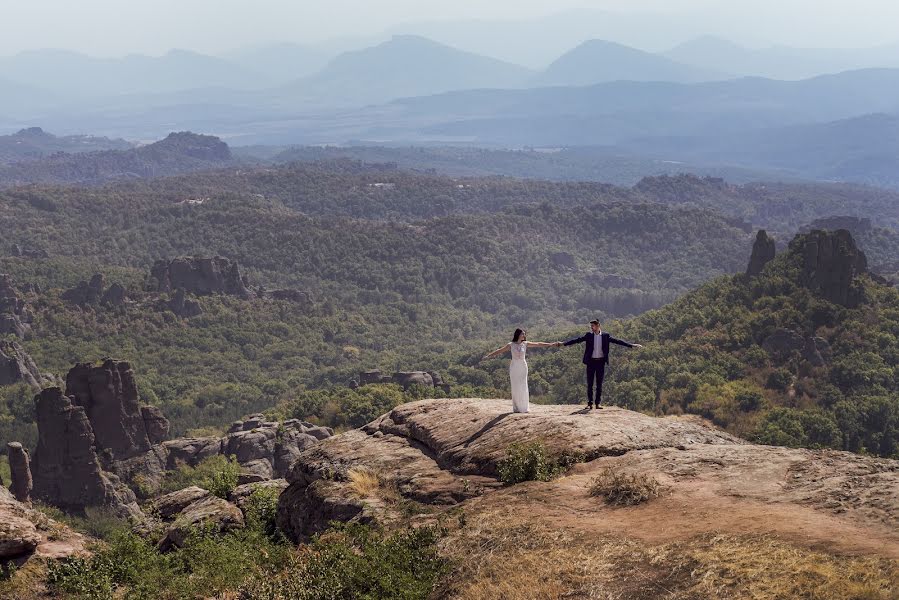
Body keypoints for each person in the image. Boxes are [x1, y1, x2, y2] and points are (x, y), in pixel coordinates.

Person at [563, 319, 642, 410]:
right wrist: (563, 344)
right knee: (590, 384)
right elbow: (577, 340)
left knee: (599, 384)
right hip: (591, 362)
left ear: (598, 326)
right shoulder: (588, 336)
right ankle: (590, 403)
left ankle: (597, 403)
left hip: (600, 362)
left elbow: (618, 341)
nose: (591, 328)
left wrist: (631, 345)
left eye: (593, 326)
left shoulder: (605, 336)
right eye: (591, 326)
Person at [481, 328, 561, 413]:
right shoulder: (511, 345)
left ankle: (524, 407)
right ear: (518, 335)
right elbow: (500, 351)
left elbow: (538, 344)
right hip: (514, 366)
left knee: (523, 385)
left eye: (524, 334)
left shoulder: (525, 344)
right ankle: (516, 407)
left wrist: (551, 344)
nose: (524, 335)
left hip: (523, 366)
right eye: (522, 334)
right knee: (515, 386)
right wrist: (488, 356)